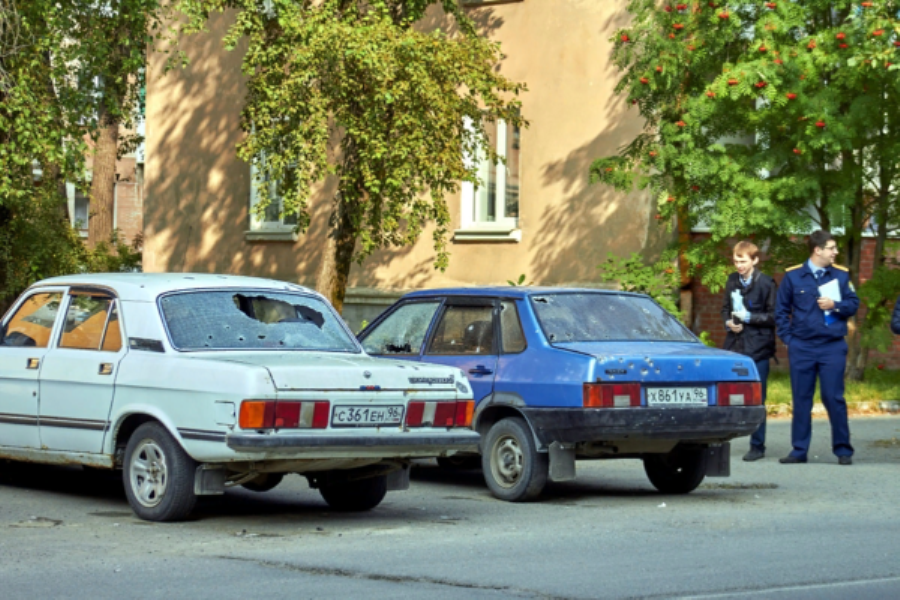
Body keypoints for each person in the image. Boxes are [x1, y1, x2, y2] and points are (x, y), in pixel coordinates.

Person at [775, 230, 859, 465]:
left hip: (832, 347)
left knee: (834, 397)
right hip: (802, 346)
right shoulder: (793, 277)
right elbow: (781, 311)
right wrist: (789, 340)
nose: (836, 252)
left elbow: (854, 304)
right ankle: (799, 450)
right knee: (801, 398)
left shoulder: (841, 276)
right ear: (817, 250)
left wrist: (836, 305)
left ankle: (843, 450)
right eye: (831, 248)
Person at [720, 241, 777, 462]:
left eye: (743, 261)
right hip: (735, 344)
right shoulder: (732, 280)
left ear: (754, 260)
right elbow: (725, 308)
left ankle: (757, 446)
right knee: (726, 393)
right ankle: (719, 440)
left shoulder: (766, 283)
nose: (739, 266)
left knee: (757, 397)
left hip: (758, 348)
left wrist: (749, 319)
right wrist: (729, 322)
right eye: (736, 261)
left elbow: (773, 317)